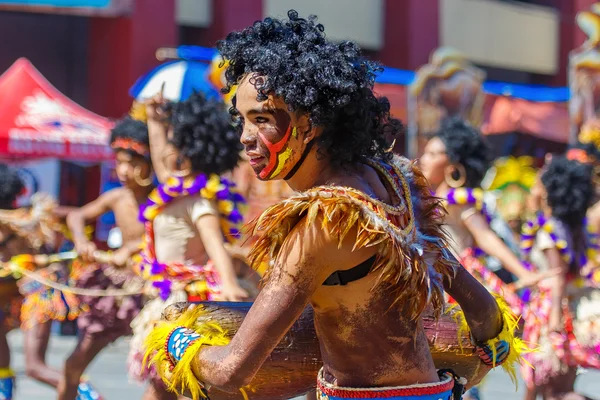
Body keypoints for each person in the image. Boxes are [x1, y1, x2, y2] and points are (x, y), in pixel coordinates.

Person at [142, 11, 525, 400]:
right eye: (241, 120)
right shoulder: (398, 184)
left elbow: (231, 372)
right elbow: (484, 312)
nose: (245, 137)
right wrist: (488, 351)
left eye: (261, 119)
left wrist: (177, 340)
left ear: (309, 123)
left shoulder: (320, 223)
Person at [128, 91, 247, 400]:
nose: (172, 156)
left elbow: (216, 246)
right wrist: (156, 120)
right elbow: (160, 159)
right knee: (161, 386)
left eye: (179, 149)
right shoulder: (173, 189)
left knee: (182, 387)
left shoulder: (201, 202)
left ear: (196, 153)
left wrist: (232, 287)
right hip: (165, 298)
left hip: (190, 304)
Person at [57, 117, 152, 400]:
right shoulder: (116, 197)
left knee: (165, 374)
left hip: (151, 292)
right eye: (119, 162)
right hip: (115, 290)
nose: (123, 170)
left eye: (132, 163)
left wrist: (132, 250)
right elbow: (76, 215)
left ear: (148, 164)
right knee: (73, 364)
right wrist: (83, 241)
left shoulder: (164, 198)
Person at [419, 117, 548, 314]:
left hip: (456, 287)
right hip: (431, 282)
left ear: (452, 165)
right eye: (426, 153)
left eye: (433, 154)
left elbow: (485, 236)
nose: (424, 160)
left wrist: (523, 273)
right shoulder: (428, 200)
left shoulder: (459, 199)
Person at [0, 167, 88, 400]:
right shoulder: (23, 216)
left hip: (38, 294)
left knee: (35, 367)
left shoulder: (21, 217)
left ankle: (90, 396)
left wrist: (81, 242)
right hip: (14, 297)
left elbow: (75, 214)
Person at [521, 156, 600, 400]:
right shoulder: (571, 227)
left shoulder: (549, 228)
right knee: (558, 386)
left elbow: (557, 275)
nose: (533, 189)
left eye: (538, 184)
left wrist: (554, 315)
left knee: (549, 389)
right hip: (568, 307)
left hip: (551, 310)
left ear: (548, 192)